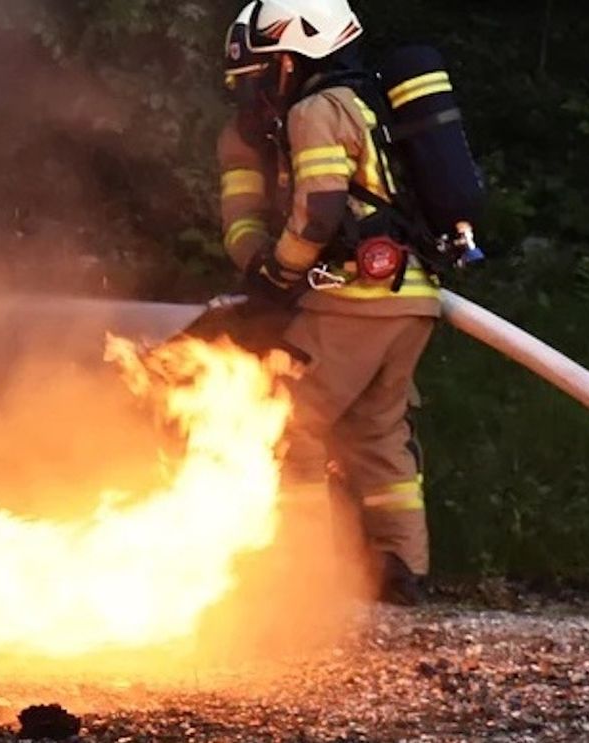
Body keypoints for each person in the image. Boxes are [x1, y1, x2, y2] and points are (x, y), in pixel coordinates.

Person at [216, 0, 462, 605]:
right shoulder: (364, 102)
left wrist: (278, 271)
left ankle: (300, 577)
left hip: (353, 299)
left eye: (263, 70)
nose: (256, 90)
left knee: (287, 423)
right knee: (378, 432)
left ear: (294, 55)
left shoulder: (314, 110)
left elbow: (321, 211)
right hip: (411, 299)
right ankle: (402, 571)